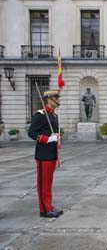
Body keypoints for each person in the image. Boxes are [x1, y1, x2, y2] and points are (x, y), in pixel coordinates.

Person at [28, 89, 63, 218]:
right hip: (43, 155)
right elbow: (31, 133)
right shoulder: (40, 115)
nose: (59, 100)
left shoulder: (54, 115)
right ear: (49, 99)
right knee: (43, 183)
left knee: (48, 182)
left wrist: (56, 136)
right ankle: (44, 210)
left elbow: (52, 131)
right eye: (57, 97)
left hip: (52, 154)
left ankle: (49, 206)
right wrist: (47, 139)